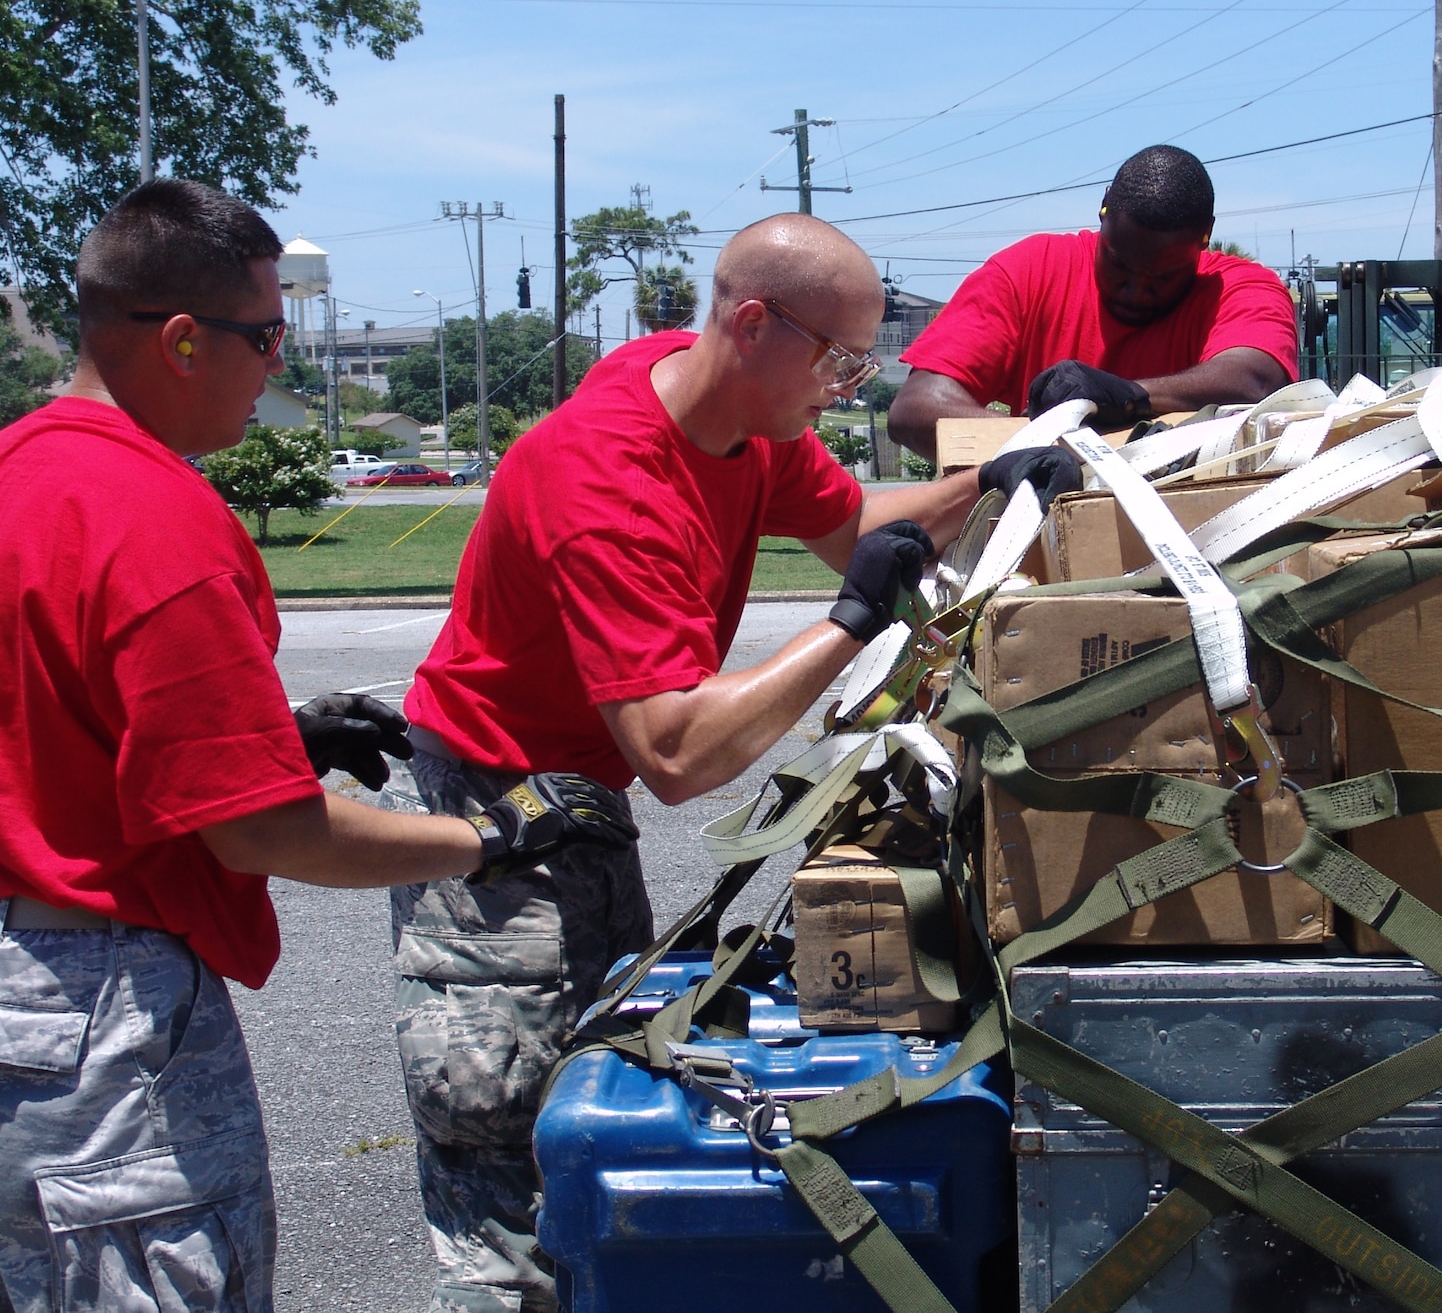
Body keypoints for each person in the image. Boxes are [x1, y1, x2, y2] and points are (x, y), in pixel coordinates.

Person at [394, 211, 1077, 1313]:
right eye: (840, 358)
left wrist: (996, 479)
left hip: (577, 805)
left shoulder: (730, 415)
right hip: (496, 826)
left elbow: (855, 517)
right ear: (753, 323)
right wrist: (855, 623)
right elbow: (674, 752)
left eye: (865, 359)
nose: (851, 387)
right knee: (513, 1170)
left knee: (596, 1114)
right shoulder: (607, 478)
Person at [0, 180, 635, 1313]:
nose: (277, 368)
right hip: (99, 1011)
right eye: (267, 336)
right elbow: (262, 834)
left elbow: (48, 719)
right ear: (184, 341)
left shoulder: (22, 473)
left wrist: (271, 734)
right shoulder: (155, 519)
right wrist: (485, 836)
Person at [887, 144, 1300, 460]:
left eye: (1163, 277)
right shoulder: (1028, 271)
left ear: (1205, 235)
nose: (1136, 290)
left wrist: (1123, 396)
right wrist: (1045, 449)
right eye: (1118, 265)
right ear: (1103, 210)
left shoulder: (1242, 286)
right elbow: (916, 410)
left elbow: (1254, 382)